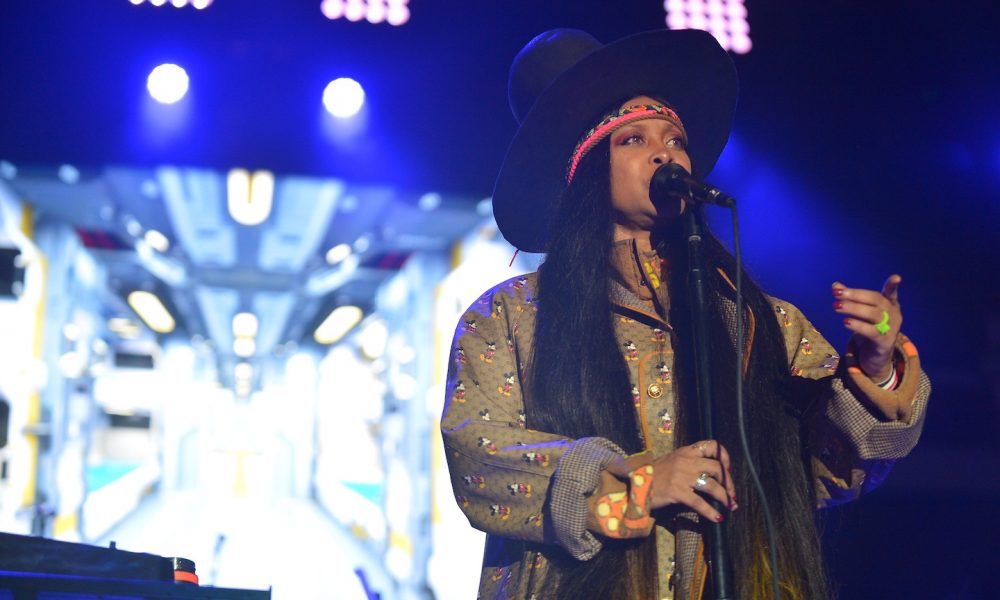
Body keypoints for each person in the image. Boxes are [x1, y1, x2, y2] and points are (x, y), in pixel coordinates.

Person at [441, 28, 930, 600]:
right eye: (632, 141)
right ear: (586, 171)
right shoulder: (512, 313)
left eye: (675, 138)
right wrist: (639, 485)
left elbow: (828, 471)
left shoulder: (755, 318)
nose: (665, 152)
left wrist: (875, 369)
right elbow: (477, 453)